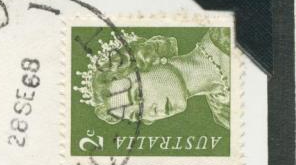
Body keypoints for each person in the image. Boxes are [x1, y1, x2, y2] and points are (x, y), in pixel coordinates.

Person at [75, 27, 231, 129]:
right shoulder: (223, 114)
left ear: (148, 60)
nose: (151, 113)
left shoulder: (226, 36)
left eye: (139, 95)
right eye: (138, 115)